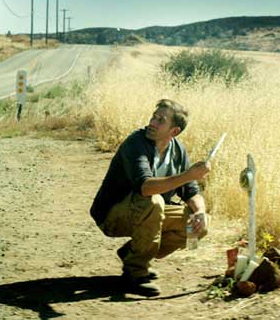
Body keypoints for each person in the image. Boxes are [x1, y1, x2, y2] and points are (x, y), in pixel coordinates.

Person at [90, 99, 211, 297]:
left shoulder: (178, 150)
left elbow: (191, 192)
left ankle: (132, 253)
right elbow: (145, 188)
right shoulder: (135, 143)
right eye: (154, 117)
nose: (152, 122)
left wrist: (200, 212)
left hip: (148, 214)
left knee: (199, 225)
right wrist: (188, 175)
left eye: (160, 120)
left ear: (174, 131)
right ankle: (135, 272)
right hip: (112, 216)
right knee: (154, 201)